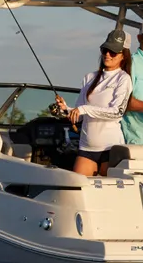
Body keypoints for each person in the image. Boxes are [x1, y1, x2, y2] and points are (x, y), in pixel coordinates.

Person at [56, 30, 133, 176]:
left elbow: (117, 112)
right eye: (105, 50)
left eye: (113, 52)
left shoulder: (124, 79)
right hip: (86, 148)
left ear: (123, 55)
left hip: (110, 148)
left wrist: (84, 109)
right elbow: (79, 115)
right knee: (77, 187)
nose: (107, 55)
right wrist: (65, 109)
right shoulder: (89, 77)